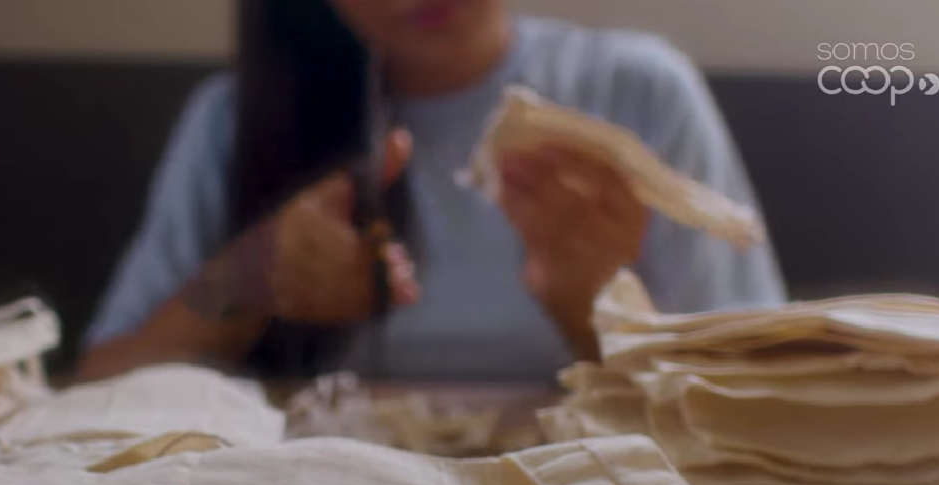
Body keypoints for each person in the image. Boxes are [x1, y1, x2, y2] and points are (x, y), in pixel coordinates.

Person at [77, 0, 786, 383]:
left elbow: (765, 405)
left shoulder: (637, 93)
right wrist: (251, 277)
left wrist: (591, 310)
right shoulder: (235, 123)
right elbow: (94, 388)